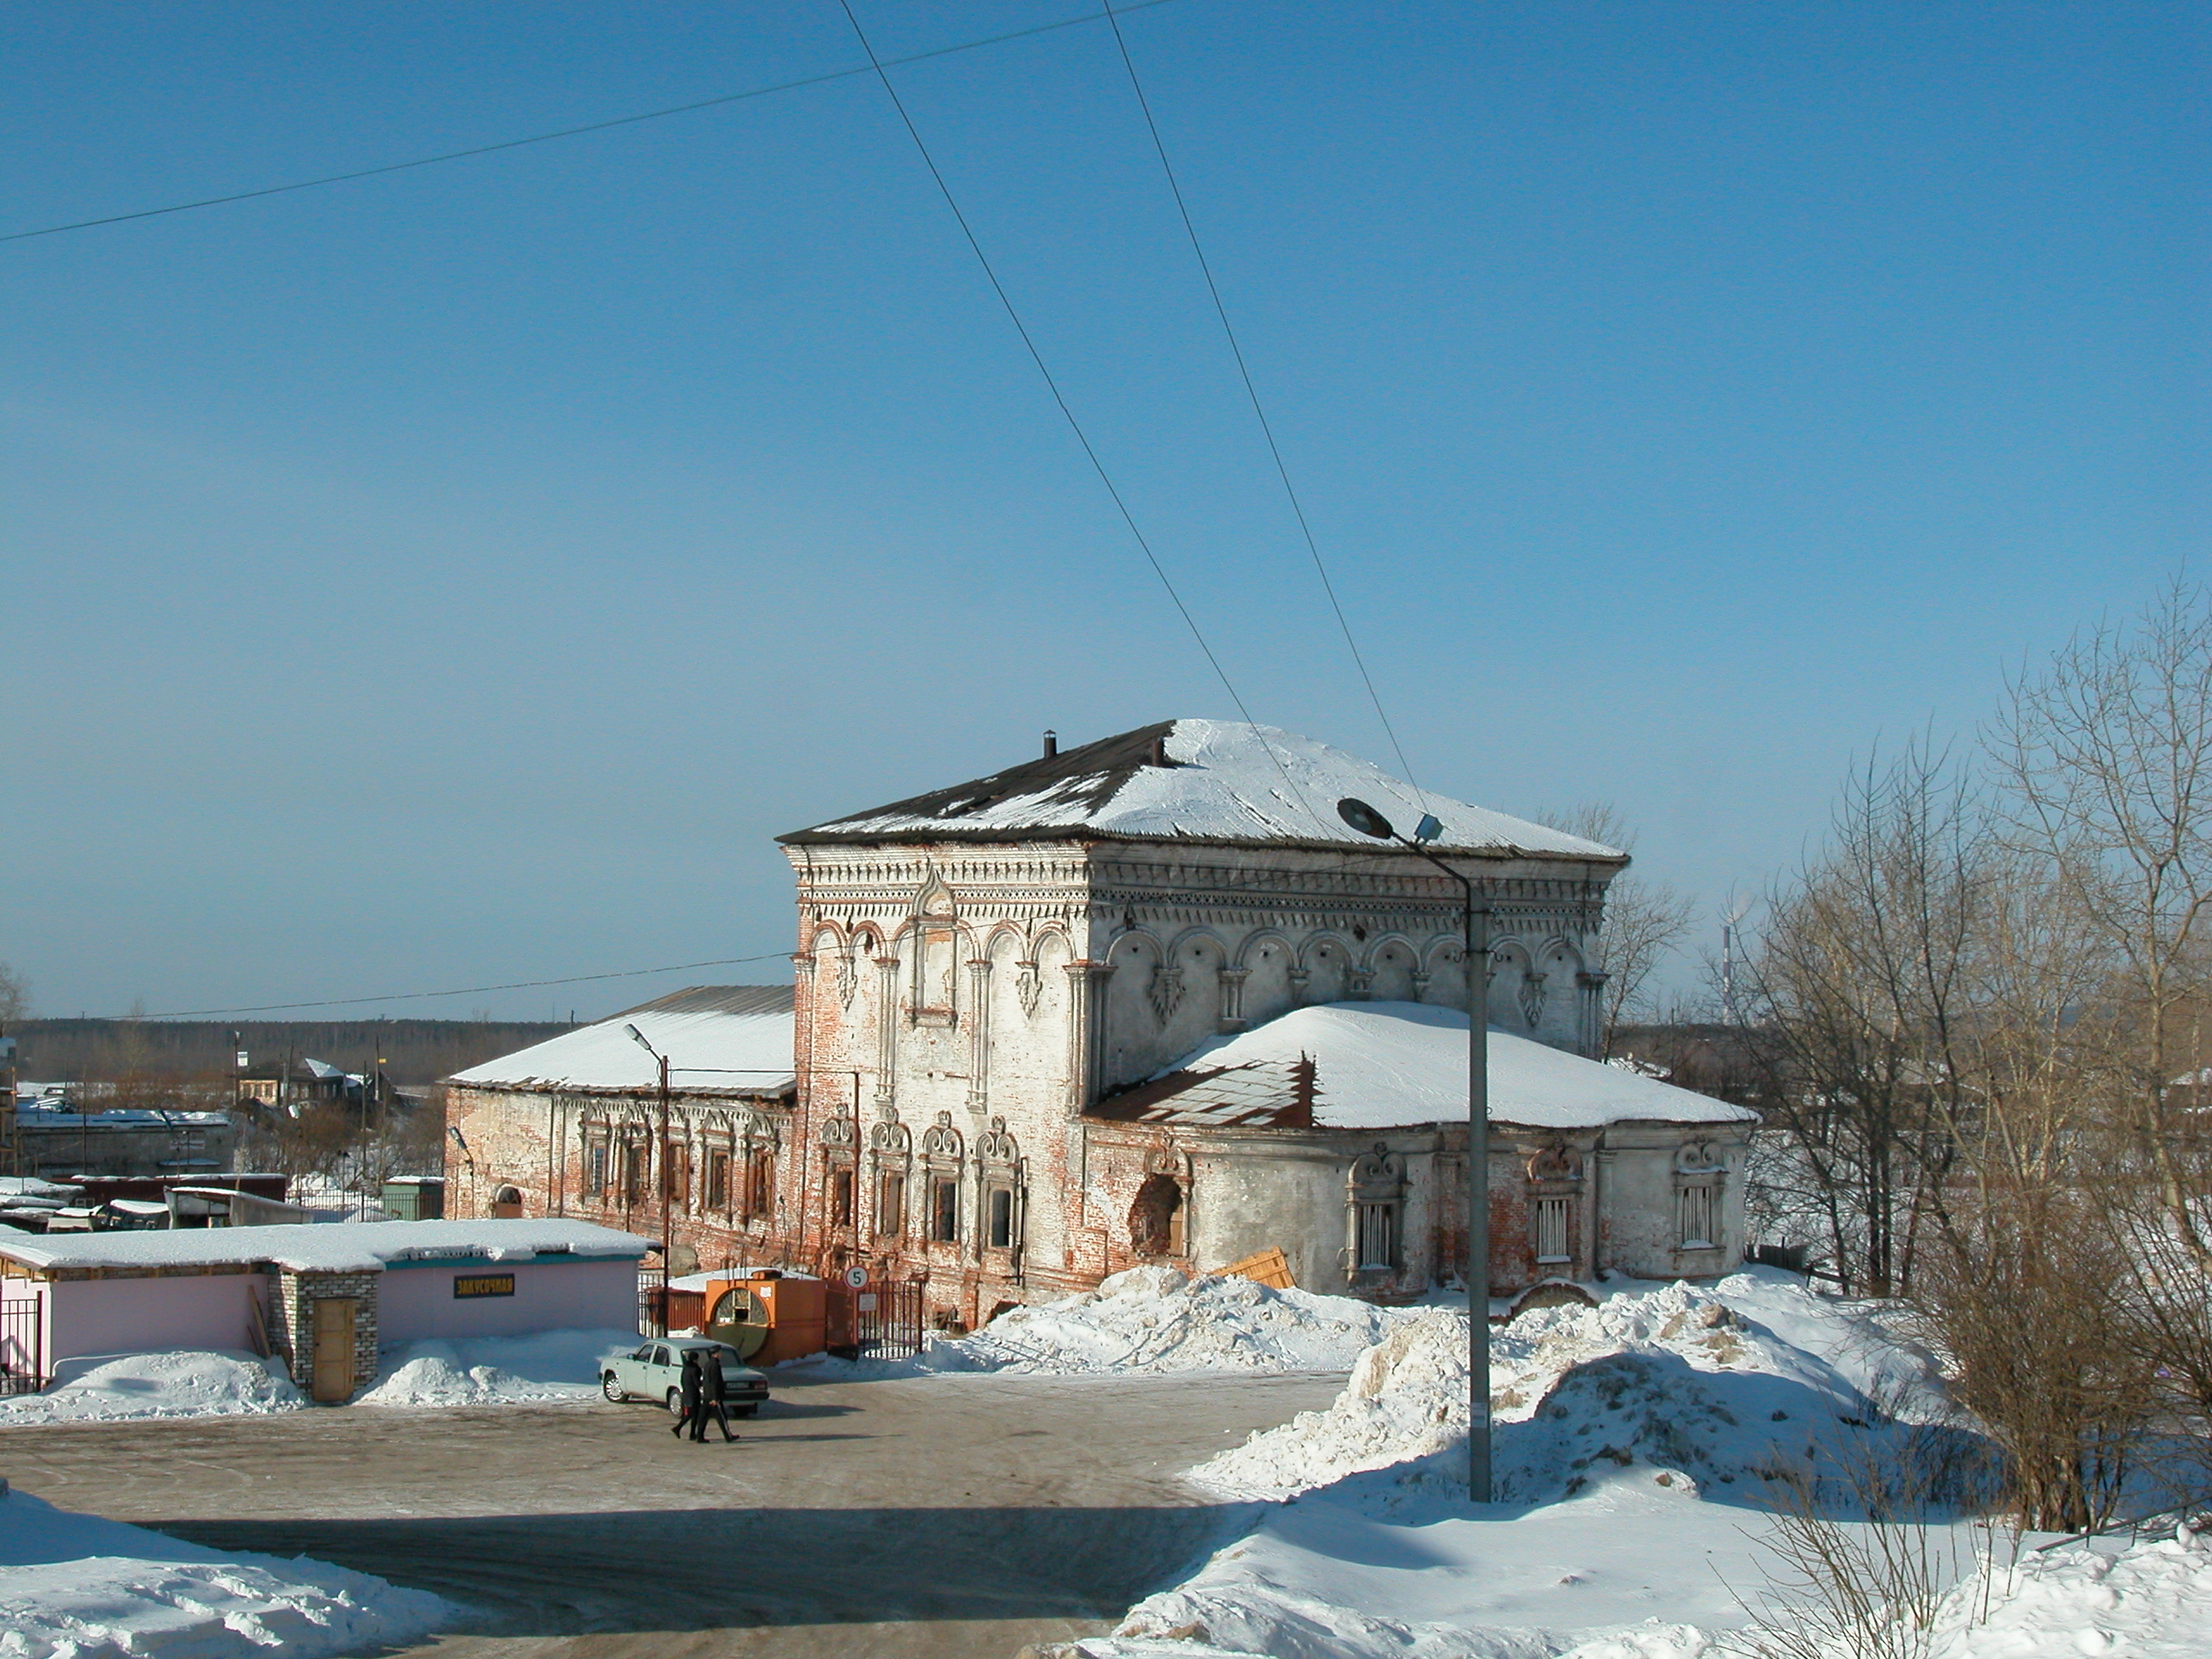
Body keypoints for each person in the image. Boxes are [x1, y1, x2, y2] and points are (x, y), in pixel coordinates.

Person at [694, 1344, 739, 1442]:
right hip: (713, 1397)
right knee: (721, 1417)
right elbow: (714, 1382)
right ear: (715, 1354)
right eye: (720, 1352)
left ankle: (700, 1436)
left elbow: (706, 1381)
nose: (721, 1354)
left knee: (703, 1417)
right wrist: (715, 1397)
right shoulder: (715, 1365)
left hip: (707, 1395)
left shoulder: (707, 1364)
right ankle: (728, 1436)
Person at [670, 1349, 702, 1439]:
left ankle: (683, 1430)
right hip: (693, 1395)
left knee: (689, 1414)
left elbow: (682, 1380)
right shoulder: (695, 1369)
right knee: (694, 1415)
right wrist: (702, 1383)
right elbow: (697, 1383)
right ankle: (686, 1431)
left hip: (686, 1393)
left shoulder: (686, 1368)